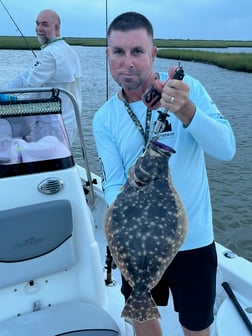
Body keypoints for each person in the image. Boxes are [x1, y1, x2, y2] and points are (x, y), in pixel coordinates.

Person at [93, 12, 236, 336]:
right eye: (118, 52)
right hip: (135, 242)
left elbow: (226, 149)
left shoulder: (187, 90)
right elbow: (114, 181)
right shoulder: (104, 118)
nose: (127, 62)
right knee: (141, 314)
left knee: (197, 326)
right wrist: (130, 212)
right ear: (107, 55)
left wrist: (186, 110)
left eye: (138, 51)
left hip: (194, 241)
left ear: (153, 53)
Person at [5, 9, 82, 145]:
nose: (39, 28)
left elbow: (29, 84)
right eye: (37, 23)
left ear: (56, 28)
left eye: (45, 24)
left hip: (54, 126)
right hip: (69, 122)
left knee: (45, 162)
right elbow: (25, 76)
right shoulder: (69, 50)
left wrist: (9, 99)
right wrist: (4, 91)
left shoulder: (50, 54)